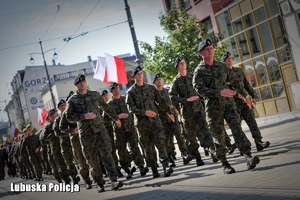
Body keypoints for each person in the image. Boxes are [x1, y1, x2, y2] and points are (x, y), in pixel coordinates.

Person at [193, 38, 260, 174]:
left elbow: (235, 82)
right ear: (201, 53)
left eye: (211, 48)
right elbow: (199, 89)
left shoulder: (222, 67)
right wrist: (219, 92)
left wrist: (245, 96)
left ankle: (248, 156)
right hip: (213, 108)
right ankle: (224, 163)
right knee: (218, 136)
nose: (210, 50)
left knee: (237, 128)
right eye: (207, 49)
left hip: (228, 105)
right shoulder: (199, 71)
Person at [65, 74, 123, 192]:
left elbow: (106, 107)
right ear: (76, 85)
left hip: (100, 130)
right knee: (92, 159)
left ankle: (114, 180)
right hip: (86, 134)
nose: (82, 83)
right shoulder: (73, 100)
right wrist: (83, 116)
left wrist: (115, 118)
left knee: (107, 154)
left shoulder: (95, 95)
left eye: (83, 81)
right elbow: (69, 117)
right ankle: (99, 183)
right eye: (79, 82)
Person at [125, 66, 174, 178]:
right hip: (142, 124)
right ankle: (154, 169)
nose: (140, 75)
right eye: (138, 74)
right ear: (134, 77)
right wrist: (144, 112)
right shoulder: (131, 92)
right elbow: (130, 109)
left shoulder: (151, 88)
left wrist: (169, 112)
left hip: (155, 121)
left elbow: (161, 102)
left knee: (161, 143)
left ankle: (166, 166)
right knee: (148, 148)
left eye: (141, 73)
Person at [169, 57, 218, 166]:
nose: (183, 64)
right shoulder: (176, 81)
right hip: (187, 113)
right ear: (177, 67)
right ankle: (198, 158)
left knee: (206, 131)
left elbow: (201, 88)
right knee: (191, 137)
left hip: (199, 110)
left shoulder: (193, 76)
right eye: (180, 63)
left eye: (184, 62)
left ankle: (213, 152)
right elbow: (171, 97)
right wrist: (185, 100)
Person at [221, 51, 270, 151]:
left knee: (252, 122)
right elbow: (229, 90)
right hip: (233, 105)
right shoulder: (223, 75)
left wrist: (253, 96)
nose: (230, 59)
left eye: (231, 57)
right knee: (237, 127)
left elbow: (246, 84)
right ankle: (242, 146)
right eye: (227, 58)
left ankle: (259, 142)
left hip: (245, 103)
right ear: (224, 61)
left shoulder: (238, 71)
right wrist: (243, 97)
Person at [108, 82, 149, 179]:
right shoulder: (109, 104)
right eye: (114, 89)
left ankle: (141, 166)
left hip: (130, 128)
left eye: (117, 87)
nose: (116, 89)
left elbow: (132, 111)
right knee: (122, 151)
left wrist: (134, 124)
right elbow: (105, 118)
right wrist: (117, 117)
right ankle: (127, 170)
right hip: (119, 131)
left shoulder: (125, 99)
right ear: (111, 91)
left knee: (135, 146)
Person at [152, 74, 192, 166]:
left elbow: (173, 102)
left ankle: (185, 154)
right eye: (157, 80)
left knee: (179, 135)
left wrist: (176, 110)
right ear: (154, 83)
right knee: (167, 139)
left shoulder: (167, 91)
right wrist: (166, 110)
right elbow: (155, 107)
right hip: (163, 119)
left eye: (160, 79)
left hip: (173, 117)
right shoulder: (154, 94)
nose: (159, 81)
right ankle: (170, 157)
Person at [59, 91, 93, 189]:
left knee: (91, 157)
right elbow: (62, 128)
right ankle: (87, 180)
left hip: (87, 137)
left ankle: (97, 176)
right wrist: (73, 130)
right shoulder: (66, 114)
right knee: (81, 161)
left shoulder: (82, 108)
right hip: (75, 140)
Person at [54, 99, 80, 184]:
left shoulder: (70, 115)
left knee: (80, 158)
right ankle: (74, 177)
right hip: (65, 143)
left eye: (64, 105)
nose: (63, 107)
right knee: (69, 162)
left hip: (75, 141)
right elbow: (57, 133)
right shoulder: (57, 120)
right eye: (61, 106)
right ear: (58, 108)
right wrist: (70, 132)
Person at [41, 109, 71, 183]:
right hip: (55, 148)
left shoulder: (59, 122)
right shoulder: (47, 127)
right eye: (51, 115)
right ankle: (65, 179)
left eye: (54, 114)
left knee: (67, 162)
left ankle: (71, 177)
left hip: (64, 145)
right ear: (49, 117)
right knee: (60, 164)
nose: (53, 116)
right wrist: (53, 134)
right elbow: (45, 137)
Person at [100, 89, 123, 178]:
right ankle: (116, 169)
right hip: (106, 133)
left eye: (106, 95)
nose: (106, 97)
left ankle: (122, 167)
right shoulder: (99, 108)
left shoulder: (110, 105)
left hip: (115, 130)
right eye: (103, 96)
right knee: (111, 151)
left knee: (119, 148)